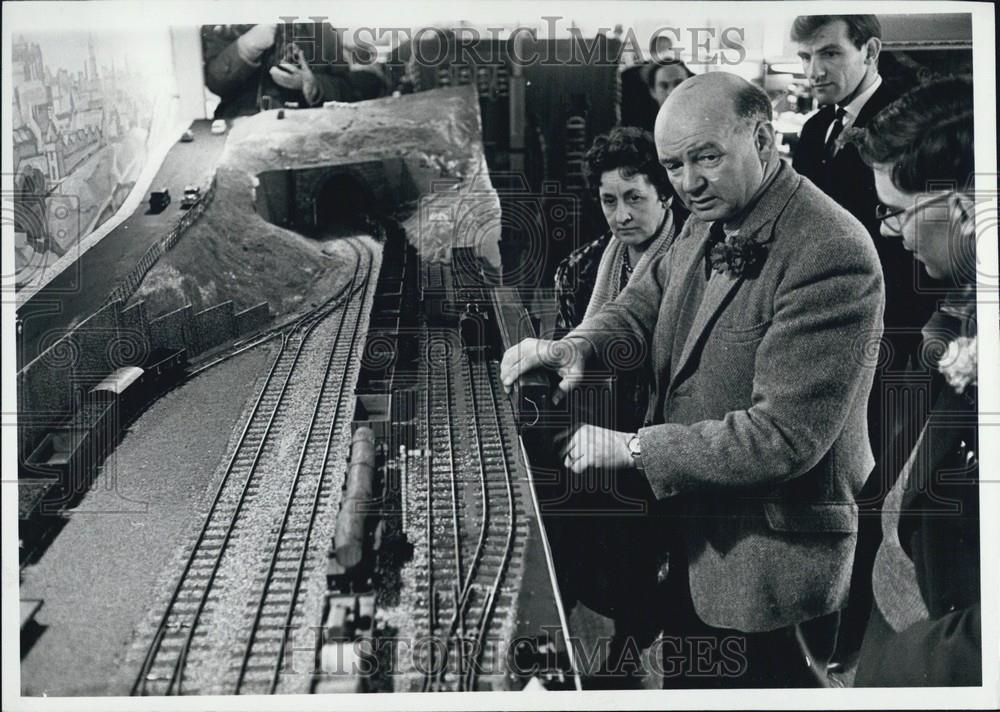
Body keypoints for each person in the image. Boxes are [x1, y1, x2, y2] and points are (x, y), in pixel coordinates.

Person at [502, 71, 884, 687]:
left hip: (766, 558)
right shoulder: (709, 214)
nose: (687, 183)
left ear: (762, 138)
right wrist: (576, 346)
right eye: (673, 165)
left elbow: (783, 436)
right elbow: (644, 298)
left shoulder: (831, 250)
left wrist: (631, 447)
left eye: (706, 157)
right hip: (691, 532)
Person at [850, 75, 979, 687]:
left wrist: (897, 669)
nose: (887, 232)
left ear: (961, 210)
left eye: (899, 214)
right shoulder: (969, 300)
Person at [547, 128, 687, 684]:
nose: (622, 215)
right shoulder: (582, 269)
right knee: (585, 543)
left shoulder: (691, 263)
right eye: (610, 200)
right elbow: (567, 349)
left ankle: (627, 660)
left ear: (665, 196)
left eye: (635, 198)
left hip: (656, 437)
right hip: (595, 426)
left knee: (643, 567)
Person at [202, 22, 356, 118]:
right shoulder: (228, 23)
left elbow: (348, 91)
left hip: (306, 131)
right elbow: (215, 84)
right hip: (241, 129)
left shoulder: (321, 27)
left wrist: (314, 85)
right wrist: (246, 47)